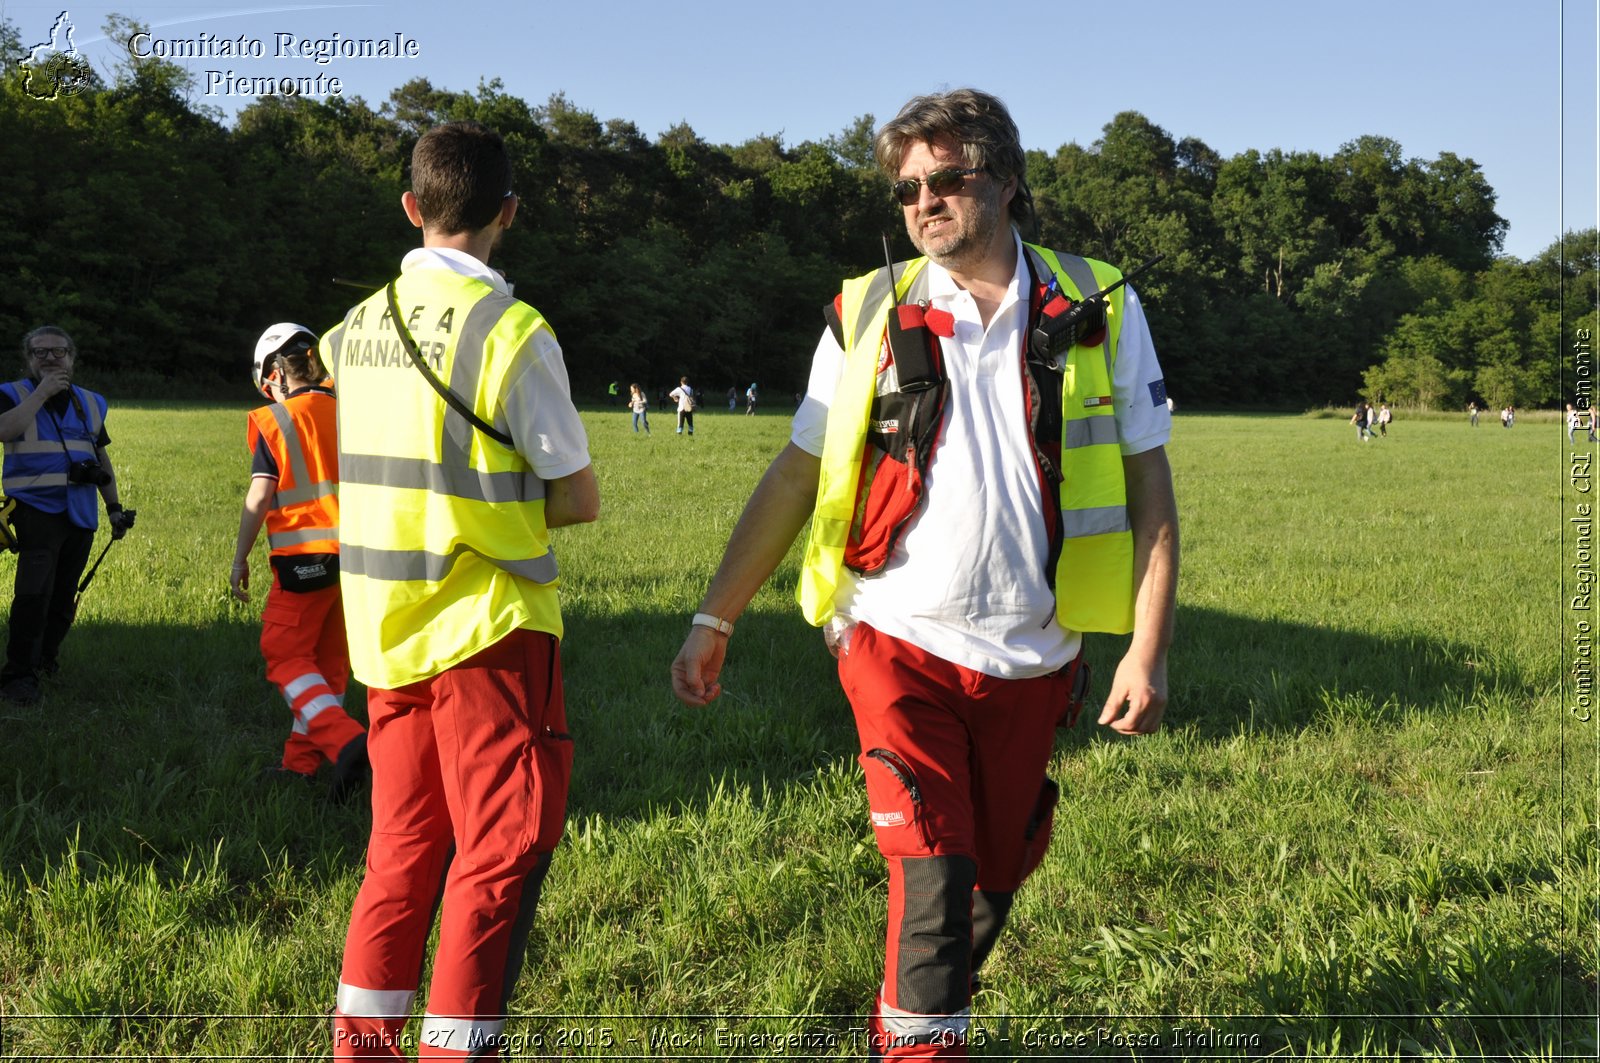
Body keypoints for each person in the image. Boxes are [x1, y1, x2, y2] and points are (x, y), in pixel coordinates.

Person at [671, 89, 1178, 1060]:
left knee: (993, 872)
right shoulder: (869, 307)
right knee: (933, 874)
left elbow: (1151, 483)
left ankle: (912, 1013)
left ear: (1008, 181)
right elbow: (797, 470)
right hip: (890, 636)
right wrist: (714, 617)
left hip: (1036, 649)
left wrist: (1147, 649)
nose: (923, 201)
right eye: (907, 187)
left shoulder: (1097, 303)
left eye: (946, 179)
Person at [319, 121, 599, 1060]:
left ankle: (361, 1044)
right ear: (508, 214)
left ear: (411, 208)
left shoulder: (347, 330)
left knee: (399, 849)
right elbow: (579, 494)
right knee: (499, 852)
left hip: (384, 631)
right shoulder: (514, 332)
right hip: (488, 628)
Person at [229, 323, 367, 802]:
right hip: (359, 561)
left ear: (273, 374)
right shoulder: (352, 413)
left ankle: (346, 740)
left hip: (304, 561)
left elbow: (260, 495)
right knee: (326, 668)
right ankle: (299, 765)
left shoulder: (277, 421)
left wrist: (239, 558)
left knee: (286, 656)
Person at [0, 327, 134, 706]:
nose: (50, 359)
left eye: (58, 352)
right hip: (34, 510)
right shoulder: (12, 394)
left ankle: (44, 662)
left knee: (62, 597)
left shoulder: (90, 403)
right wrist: (42, 392)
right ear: (28, 359)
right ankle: (16, 678)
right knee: (32, 594)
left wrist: (114, 507)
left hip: (79, 512)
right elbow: (4, 430)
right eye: (40, 353)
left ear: (72, 359)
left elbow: (100, 456)